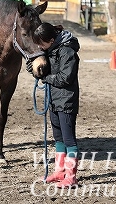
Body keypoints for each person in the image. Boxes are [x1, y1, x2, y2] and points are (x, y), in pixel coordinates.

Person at [32, 22, 80, 188]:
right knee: (58, 138)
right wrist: (34, 67)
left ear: (51, 40)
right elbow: (35, 64)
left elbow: (66, 77)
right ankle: (60, 172)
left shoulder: (68, 52)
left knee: (69, 140)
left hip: (66, 101)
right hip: (53, 100)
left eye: (41, 43)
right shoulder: (49, 51)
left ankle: (71, 177)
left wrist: (46, 79)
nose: (39, 46)